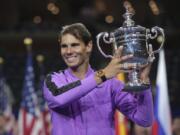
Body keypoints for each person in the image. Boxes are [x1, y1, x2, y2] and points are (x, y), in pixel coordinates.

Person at [43, 23, 153, 135]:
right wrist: (103, 74)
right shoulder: (53, 79)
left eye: (75, 45)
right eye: (64, 46)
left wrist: (144, 82)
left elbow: (144, 120)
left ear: (89, 46)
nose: (68, 51)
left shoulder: (111, 85)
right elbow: (58, 98)